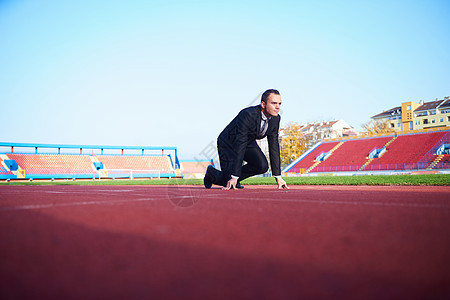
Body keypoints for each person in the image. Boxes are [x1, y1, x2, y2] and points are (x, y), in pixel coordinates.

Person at [204, 89, 289, 190]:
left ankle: (232, 178)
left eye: (279, 103)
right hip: (228, 143)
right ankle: (211, 174)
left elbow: (274, 146)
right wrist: (234, 176)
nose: (278, 107)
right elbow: (240, 145)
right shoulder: (248, 115)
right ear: (263, 104)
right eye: (274, 103)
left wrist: (278, 176)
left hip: (248, 142)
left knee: (262, 166)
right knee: (228, 182)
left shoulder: (276, 119)